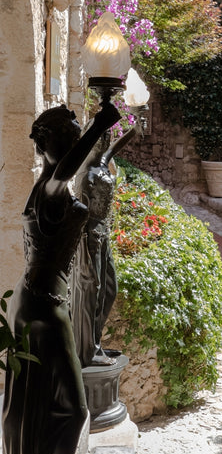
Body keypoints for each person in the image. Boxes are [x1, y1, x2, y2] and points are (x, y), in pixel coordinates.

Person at [1, 101, 120, 454]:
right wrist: (99, 123)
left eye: (74, 134)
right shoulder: (50, 187)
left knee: (29, 402)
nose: (72, 142)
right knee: (74, 411)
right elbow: (64, 172)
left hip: (37, 298)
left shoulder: (51, 189)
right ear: (44, 144)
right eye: (64, 136)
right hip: (43, 307)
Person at [70, 123, 137, 368]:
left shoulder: (101, 162)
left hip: (104, 233)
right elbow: (79, 211)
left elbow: (119, 144)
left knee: (109, 288)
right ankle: (89, 350)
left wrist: (137, 123)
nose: (104, 142)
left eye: (105, 138)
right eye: (99, 139)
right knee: (93, 290)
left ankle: (94, 341)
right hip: (90, 236)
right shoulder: (86, 173)